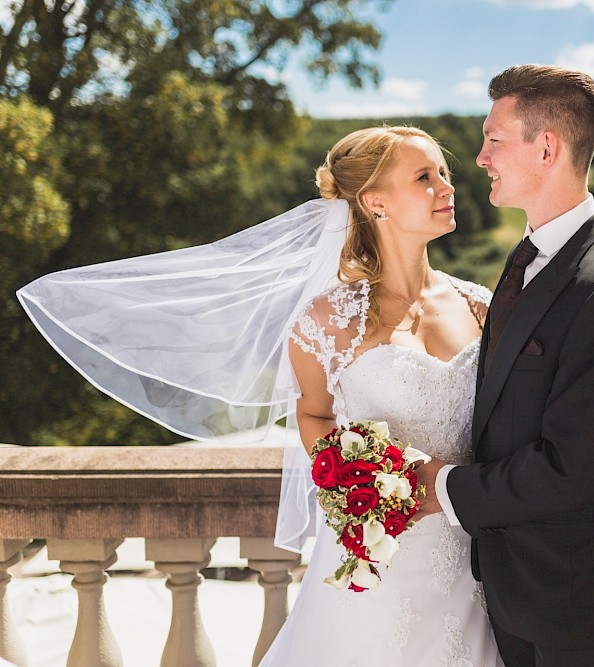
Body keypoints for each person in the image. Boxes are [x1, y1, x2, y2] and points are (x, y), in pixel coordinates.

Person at [17, 126, 504, 666]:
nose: (445, 186)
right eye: (423, 176)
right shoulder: (327, 320)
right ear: (375, 202)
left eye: (444, 173)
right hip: (378, 559)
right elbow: (314, 415)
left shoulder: (481, 306)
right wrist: (364, 480)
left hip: (475, 550)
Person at [417, 65, 594, 666]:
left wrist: (440, 486)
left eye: (494, 140)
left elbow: (569, 469)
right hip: (512, 584)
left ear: (546, 146)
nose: (479, 159)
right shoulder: (529, 255)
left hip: (577, 598)